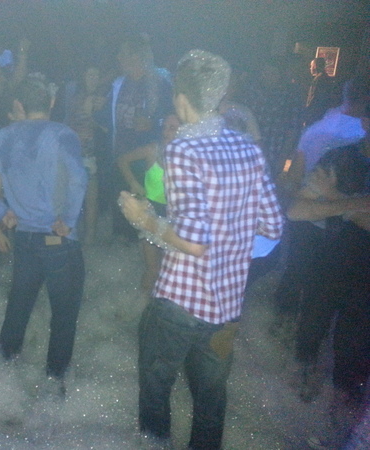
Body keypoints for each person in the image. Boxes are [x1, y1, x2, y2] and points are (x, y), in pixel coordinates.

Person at [118, 50, 283, 448]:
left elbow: (193, 241)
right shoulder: (248, 148)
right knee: (210, 399)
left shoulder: (183, 148)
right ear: (220, 94)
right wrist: (229, 246)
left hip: (180, 302)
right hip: (226, 305)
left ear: (180, 99)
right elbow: (273, 227)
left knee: (156, 387)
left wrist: (144, 219)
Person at [0, 76, 88, 392]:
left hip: (26, 240)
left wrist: (1, 210)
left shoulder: (4, 136)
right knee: (63, 316)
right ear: (52, 102)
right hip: (58, 240)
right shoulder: (62, 134)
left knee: (18, 307)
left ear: (19, 105)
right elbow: (78, 179)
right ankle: (54, 386)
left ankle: (3, 376)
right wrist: (69, 219)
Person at [287, 145, 370, 447]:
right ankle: (296, 415)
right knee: (308, 336)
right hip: (327, 263)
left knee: (353, 354)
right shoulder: (341, 157)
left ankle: (339, 428)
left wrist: (333, 197)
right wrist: (355, 206)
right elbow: (297, 209)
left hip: (366, 281)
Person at [272, 76, 369, 335]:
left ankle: (281, 331)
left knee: (297, 282)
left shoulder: (318, 127)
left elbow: (294, 180)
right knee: (326, 299)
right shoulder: (356, 137)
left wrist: (303, 194)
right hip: (340, 232)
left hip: (310, 220)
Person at [106, 34, 173, 241]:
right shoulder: (118, 84)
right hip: (120, 153)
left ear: (136, 56)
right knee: (121, 207)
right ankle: (122, 248)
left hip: (146, 158)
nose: (118, 57)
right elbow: (107, 118)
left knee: (146, 216)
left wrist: (154, 122)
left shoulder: (160, 84)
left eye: (123, 53)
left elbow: (173, 117)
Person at [117, 114, 179, 291]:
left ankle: (158, 303)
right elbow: (122, 160)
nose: (166, 132)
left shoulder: (188, 156)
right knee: (153, 269)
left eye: (172, 128)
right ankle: (142, 304)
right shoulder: (153, 150)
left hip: (175, 218)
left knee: (171, 272)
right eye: (164, 127)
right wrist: (133, 183)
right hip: (150, 214)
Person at [64, 65, 107, 244]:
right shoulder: (76, 96)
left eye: (97, 75)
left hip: (90, 155)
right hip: (74, 155)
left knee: (91, 198)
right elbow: (68, 122)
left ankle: (89, 238)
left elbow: (105, 128)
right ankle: (72, 236)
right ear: (83, 76)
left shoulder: (102, 98)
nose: (94, 78)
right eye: (90, 74)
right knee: (73, 198)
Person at [304, 57, 337, 127]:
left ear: (315, 66)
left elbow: (314, 96)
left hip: (315, 112)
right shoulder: (327, 78)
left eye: (311, 66)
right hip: (323, 112)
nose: (310, 68)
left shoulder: (318, 79)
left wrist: (307, 111)